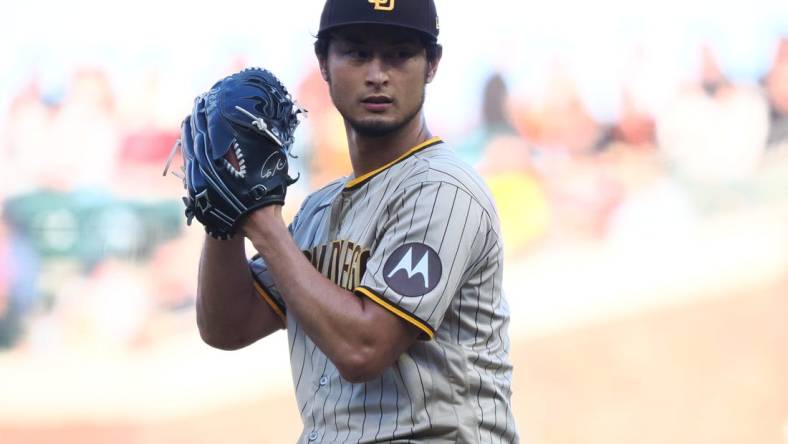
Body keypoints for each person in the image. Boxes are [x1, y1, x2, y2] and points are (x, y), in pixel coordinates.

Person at [195, 1, 518, 442]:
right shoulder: (317, 212)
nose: (377, 74)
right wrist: (224, 215)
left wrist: (263, 223)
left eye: (400, 54)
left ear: (432, 65)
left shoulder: (443, 188)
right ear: (323, 65)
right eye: (357, 53)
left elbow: (363, 349)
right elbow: (227, 326)